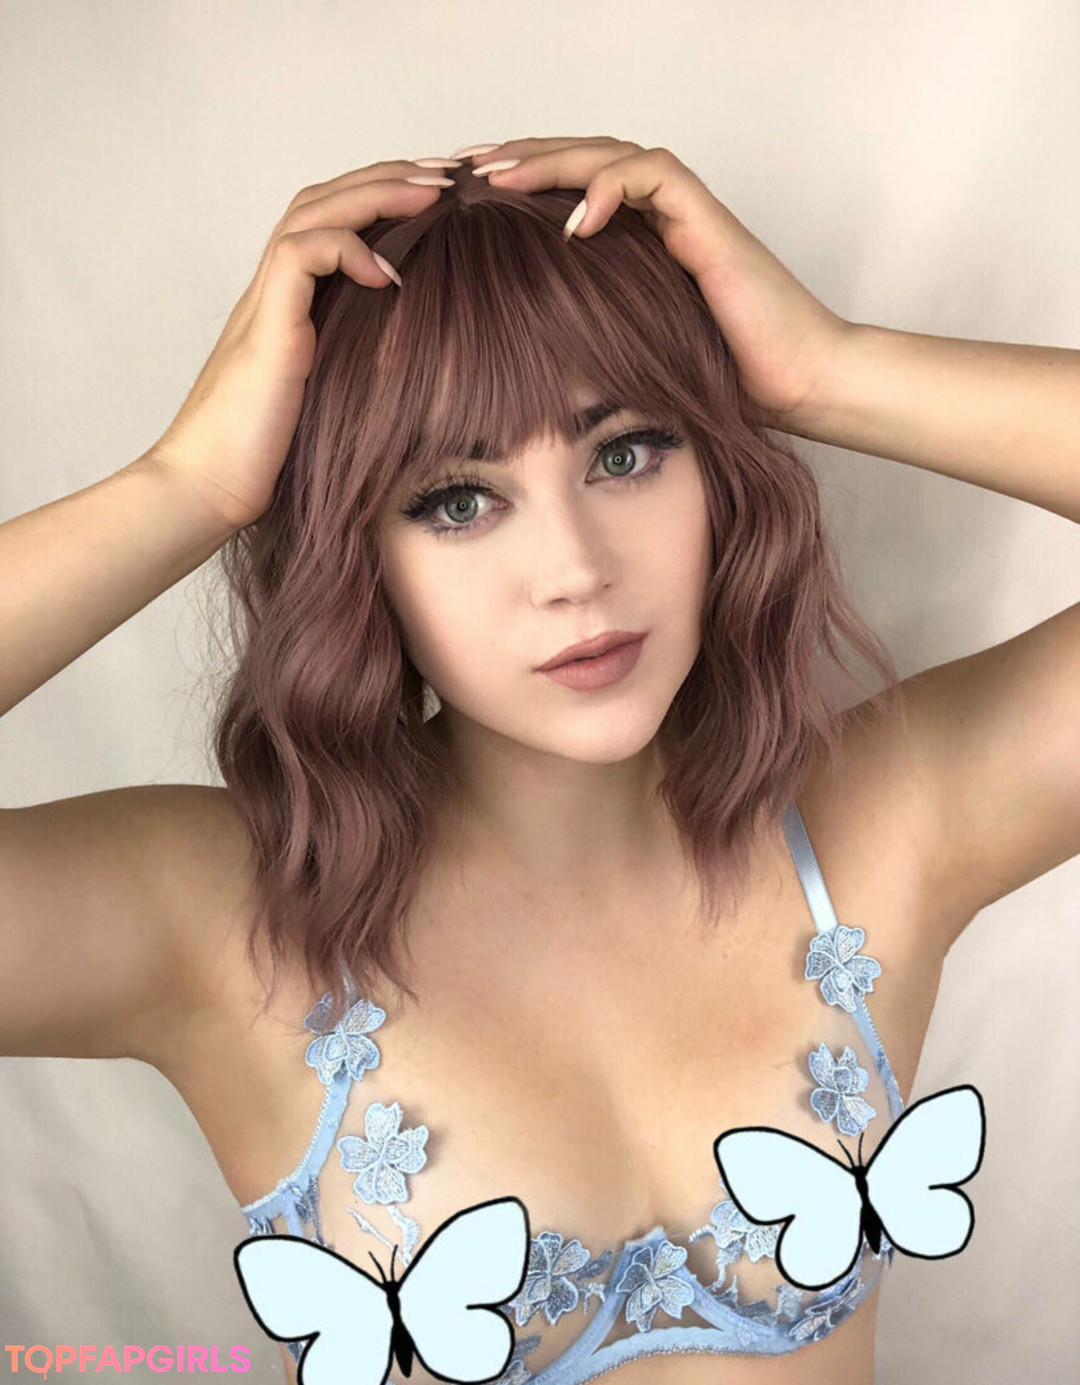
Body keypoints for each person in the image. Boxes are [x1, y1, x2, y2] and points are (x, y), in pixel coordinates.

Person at [0, 135, 1076, 1385]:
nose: (574, 568)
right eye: (457, 500)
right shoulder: (224, 914)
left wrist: (829, 368)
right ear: (357, 555)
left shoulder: (886, 820)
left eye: (625, 452)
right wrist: (187, 483)